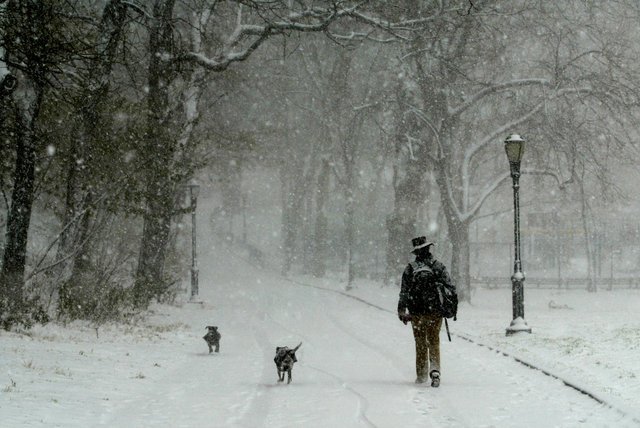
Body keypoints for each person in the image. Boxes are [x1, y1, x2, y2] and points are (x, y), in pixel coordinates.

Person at [397, 236, 455, 387]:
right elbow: (450, 288)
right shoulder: (438, 266)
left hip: (416, 312)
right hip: (435, 311)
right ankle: (435, 371)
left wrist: (402, 310)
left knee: (421, 342)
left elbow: (404, 291)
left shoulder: (410, 268)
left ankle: (422, 374)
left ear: (416, 252)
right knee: (434, 340)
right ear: (429, 249)